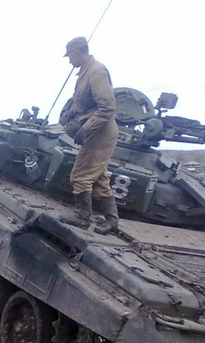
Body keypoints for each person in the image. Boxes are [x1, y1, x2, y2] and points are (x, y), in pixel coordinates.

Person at [59, 36, 120, 235]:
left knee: (80, 175)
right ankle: (112, 220)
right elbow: (83, 101)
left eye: (70, 56)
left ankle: (82, 216)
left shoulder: (96, 72)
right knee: (98, 177)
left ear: (77, 52)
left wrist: (86, 128)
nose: (69, 61)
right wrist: (71, 113)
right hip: (97, 129)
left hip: (100, 131)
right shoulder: (85, 72)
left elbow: (107, 108)